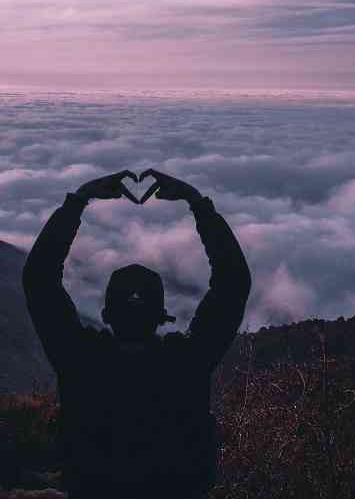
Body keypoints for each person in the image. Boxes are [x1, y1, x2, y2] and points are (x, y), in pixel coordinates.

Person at [22, 168, 252, 499]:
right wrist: (197, 203)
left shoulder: (79, 359)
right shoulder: (187, 362)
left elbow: (39, 280)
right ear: (162, 317)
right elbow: (233, 283)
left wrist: (79, 201)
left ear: (105, 315)